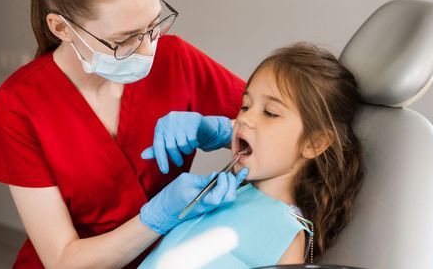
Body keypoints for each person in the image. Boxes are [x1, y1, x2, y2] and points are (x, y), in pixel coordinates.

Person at [0, 0, 249, 268]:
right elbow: (62, 260)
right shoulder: (20, 103)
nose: (147, 50)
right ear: (61, 28)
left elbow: (282, 125)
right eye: (123, 40)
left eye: (153, 26)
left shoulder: (176, 58)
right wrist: (158, 216)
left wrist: (227, 130)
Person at [140, 43, 365, 268]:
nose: (244, 119)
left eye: (270, 113)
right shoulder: (214, 198)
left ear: (315, 143)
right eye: (245, 106)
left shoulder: (288, 235)